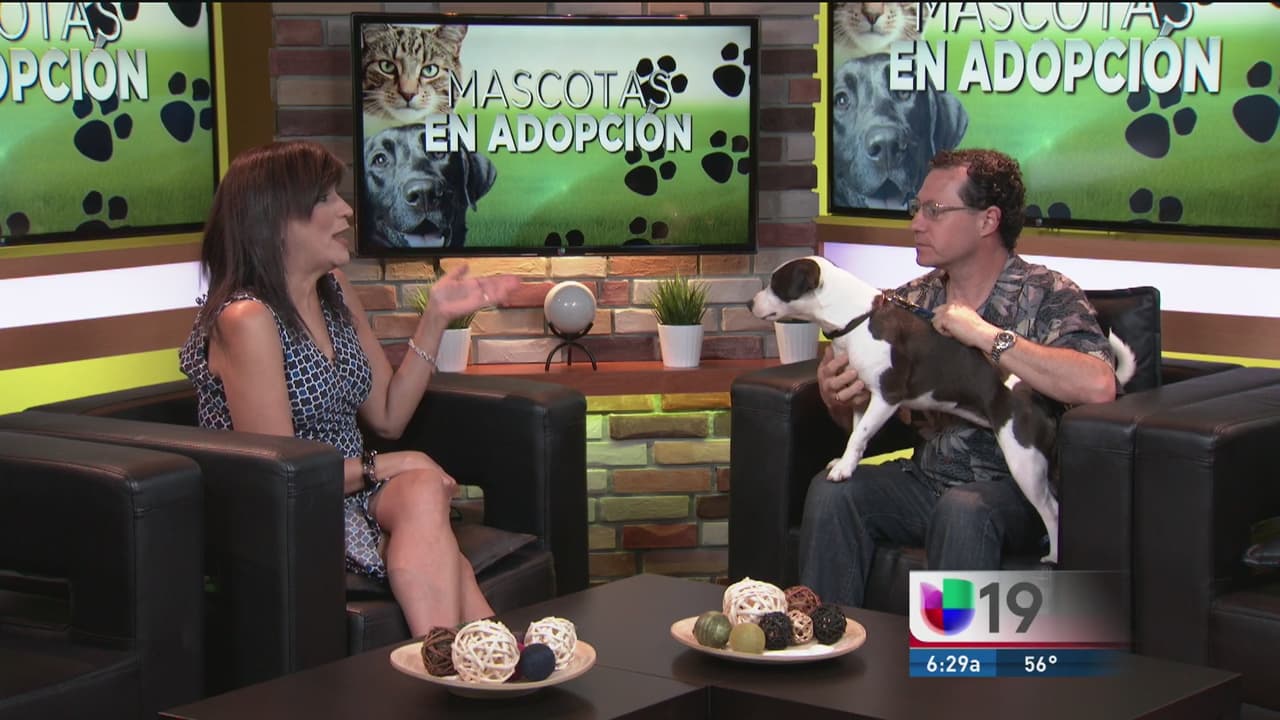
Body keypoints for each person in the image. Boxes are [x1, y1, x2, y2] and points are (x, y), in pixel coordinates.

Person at [179, 140, 519, 634]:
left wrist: (437, 316)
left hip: (352, 491)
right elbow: (284, 477)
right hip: (291, 511)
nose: (346, 210)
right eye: (326, 198)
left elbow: (388, 416)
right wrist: (388, 463)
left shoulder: (333, 288)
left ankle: (447, 651)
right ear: (276, 219)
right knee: (434, 525)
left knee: (423, 487)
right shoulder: (246, 319)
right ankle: (478, 648)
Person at [799, 148, 1119, 607]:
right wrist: (839, 396)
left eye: (934, 210)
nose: (916, 223)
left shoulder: (1048, 293)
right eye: (916, 208)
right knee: (833, 494)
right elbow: (879, 411)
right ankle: (828, 641)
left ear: (988, 220)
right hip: (926, 480)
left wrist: (988, 336)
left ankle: (951, 652)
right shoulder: (905, 304)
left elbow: (1098, 385)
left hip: (1016, 493)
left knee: (963, 510)